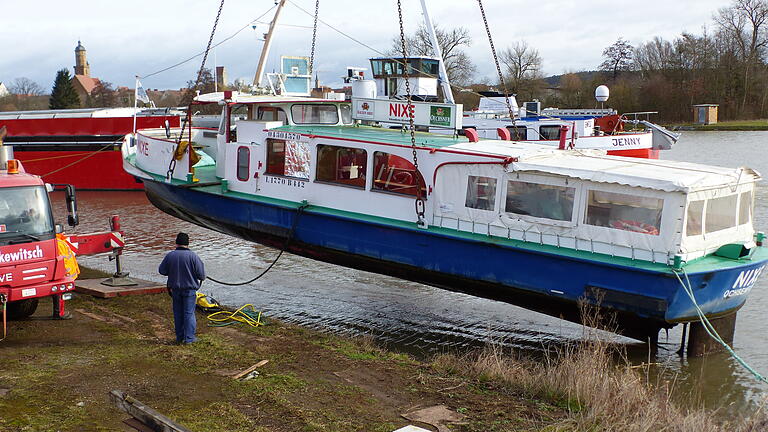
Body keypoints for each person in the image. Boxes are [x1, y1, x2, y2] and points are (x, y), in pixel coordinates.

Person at [159, 232, 205, 344]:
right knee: (189, 314)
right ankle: (189, 339)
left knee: (178, 313)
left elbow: (162, 271)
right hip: (189, 290)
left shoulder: (170, 255)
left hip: (175, 290)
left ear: (176, 243)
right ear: (188, 243)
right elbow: (202, 275)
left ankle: (179, 338)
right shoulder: (194, 256)